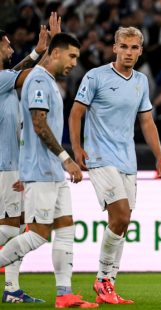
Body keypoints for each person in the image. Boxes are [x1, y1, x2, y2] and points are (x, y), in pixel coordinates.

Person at [69, 26, 161, 305]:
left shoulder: (141, 81)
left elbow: (146, 121)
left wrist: (159, 156)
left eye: (134, 47)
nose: (128, 52)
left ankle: (109, 284)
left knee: (121, 224)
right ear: (114, 48)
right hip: (100, 157)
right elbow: (76, 112)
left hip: (128, 160)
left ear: (140, 51)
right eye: (124, 46)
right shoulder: (95, 76)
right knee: (122, 216)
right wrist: (77, 148)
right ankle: (102, 279)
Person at [0, 32, 98, 308]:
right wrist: (66, 157)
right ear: (55, 53)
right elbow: (38, 123)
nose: (74, 63)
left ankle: (64, 294)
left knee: (66, 228)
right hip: (43, 169)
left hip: (51, 171)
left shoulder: (48, 80)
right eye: (72, 56)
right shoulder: (39, 80)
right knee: (37, 235)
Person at [0, 13, 56, 304]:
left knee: (19, 229)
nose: (11, 50)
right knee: (10, 228)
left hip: (12, 165)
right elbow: (33, 75)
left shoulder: (4, 80)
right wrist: (52, 50)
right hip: (4, 166)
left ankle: (11, 289)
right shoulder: (1, 79)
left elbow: (21, 70)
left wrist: (38, 50)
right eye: (7, 45)